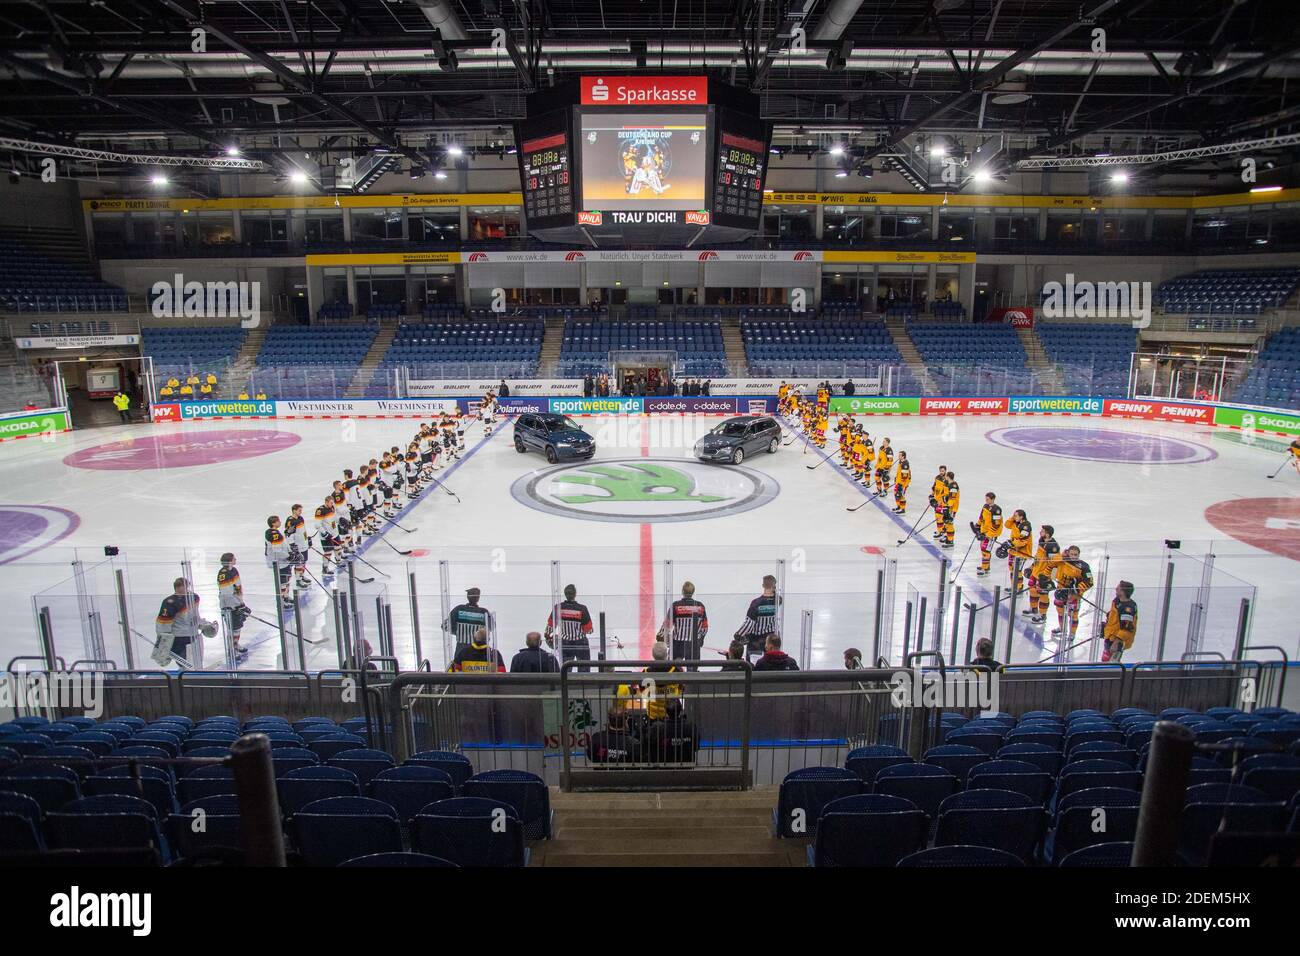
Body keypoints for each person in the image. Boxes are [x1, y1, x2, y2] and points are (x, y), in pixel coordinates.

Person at [152, 577, 215, 669]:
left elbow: (195, 616)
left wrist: (204, 625)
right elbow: (163, 624)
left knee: (193, 664)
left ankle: (187, 674)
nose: (186, 589)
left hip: (193, 636)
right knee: (186, 664)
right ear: (177, 588)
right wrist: (163, 641)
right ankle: (185, 676)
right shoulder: (169, 602)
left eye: (186, 587)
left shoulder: (193, 597)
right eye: (183, 587)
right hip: (179, 638)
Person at [545, 583, 594, 665]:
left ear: (565, 594)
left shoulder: (558, 608)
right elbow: (589, 630)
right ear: (575, 594)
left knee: (566, 669)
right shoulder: (582, 609)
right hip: (580, 642)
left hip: (565, 642)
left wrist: (548, 637)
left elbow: (550, 627)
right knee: (584, 669)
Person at [659, 581, 709, 661]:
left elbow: (667, 626)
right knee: (692, 669)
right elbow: (704, 628)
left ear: (682, 591)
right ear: (693, 592)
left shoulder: (676, 606)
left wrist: (666, 641)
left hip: (678, 643)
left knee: (674, 668)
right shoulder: (700, 606)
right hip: (694, 643)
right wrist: (700, 640)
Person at [734, 574, 779, 662]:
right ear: (774, 586)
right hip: (770, 639)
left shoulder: (756, 603)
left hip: (756, 641)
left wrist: (738, 634)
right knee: (769, 663)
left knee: (753, 665)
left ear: (763, 586)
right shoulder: (778, 601)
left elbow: (749, 623)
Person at [1052, 545, 1094, 640]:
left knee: (1073, 614)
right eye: (1071, 554)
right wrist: (1062, 555)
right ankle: (1062, 628)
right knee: (1060, 610)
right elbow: (1051, 562)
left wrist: (1076, 591)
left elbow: (1090, 582)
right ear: (1068, 553)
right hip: (1060, 590)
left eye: (1076, 554)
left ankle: (1072, 633)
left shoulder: (1084, 566)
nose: (1073, 556)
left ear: (1079, 555)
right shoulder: (1062, 560)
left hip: (1074, 595)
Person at [216, 553, 251, 661]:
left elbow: (237, 589)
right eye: (234, 558)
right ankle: (231, 650)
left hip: (237, 604)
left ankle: (235, 645)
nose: (236, 559)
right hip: (229, 607)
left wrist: (241, 603)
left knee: (237, 628)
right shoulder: (224, 575)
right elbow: (227, 594)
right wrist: (237, 605)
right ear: (230, 561)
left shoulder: (234, 570)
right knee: (232, 629)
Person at [644, 698, 698, 764]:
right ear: (681, 710)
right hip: (685, 767)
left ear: (666, 711)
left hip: (662, 767)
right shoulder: (691, 727)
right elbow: (696, 747)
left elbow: (647, 744)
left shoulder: (657, 727)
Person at [1101, 581, 1139, 662]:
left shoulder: (1128, 609)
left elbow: (1126, 629)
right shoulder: (1117, 601)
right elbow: (1113, 615)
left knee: (1110, 664)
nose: (1116, 589)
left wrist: (1116, 643)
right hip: (1110, 637)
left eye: (1118, 588)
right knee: (1105, 660)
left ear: (1122, 592)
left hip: (1116, 641)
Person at [264, 515, 292, 610]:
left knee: (287, 580)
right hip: (280, 563)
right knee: (282, 582)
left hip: (284, 562)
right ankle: (282, 602)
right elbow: (277, 551)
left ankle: (286, 597)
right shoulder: (273, 534)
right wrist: (288, 555)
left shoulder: (276, 532)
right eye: (278, 521)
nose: (280, 522)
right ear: (273, 523)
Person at [974, 492, 1004, 577]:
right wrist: (978, 525)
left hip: (992, 534)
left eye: (988, 499)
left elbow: (996, 524)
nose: (986, 500)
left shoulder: (997, 510)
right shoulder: (985, 506)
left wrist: (989, 534)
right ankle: (986, 566)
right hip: (984, 531)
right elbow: (981, 517)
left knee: (986, 550)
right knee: (983, 547)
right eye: (985, 499)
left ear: (993, 499)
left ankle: (984, 568)